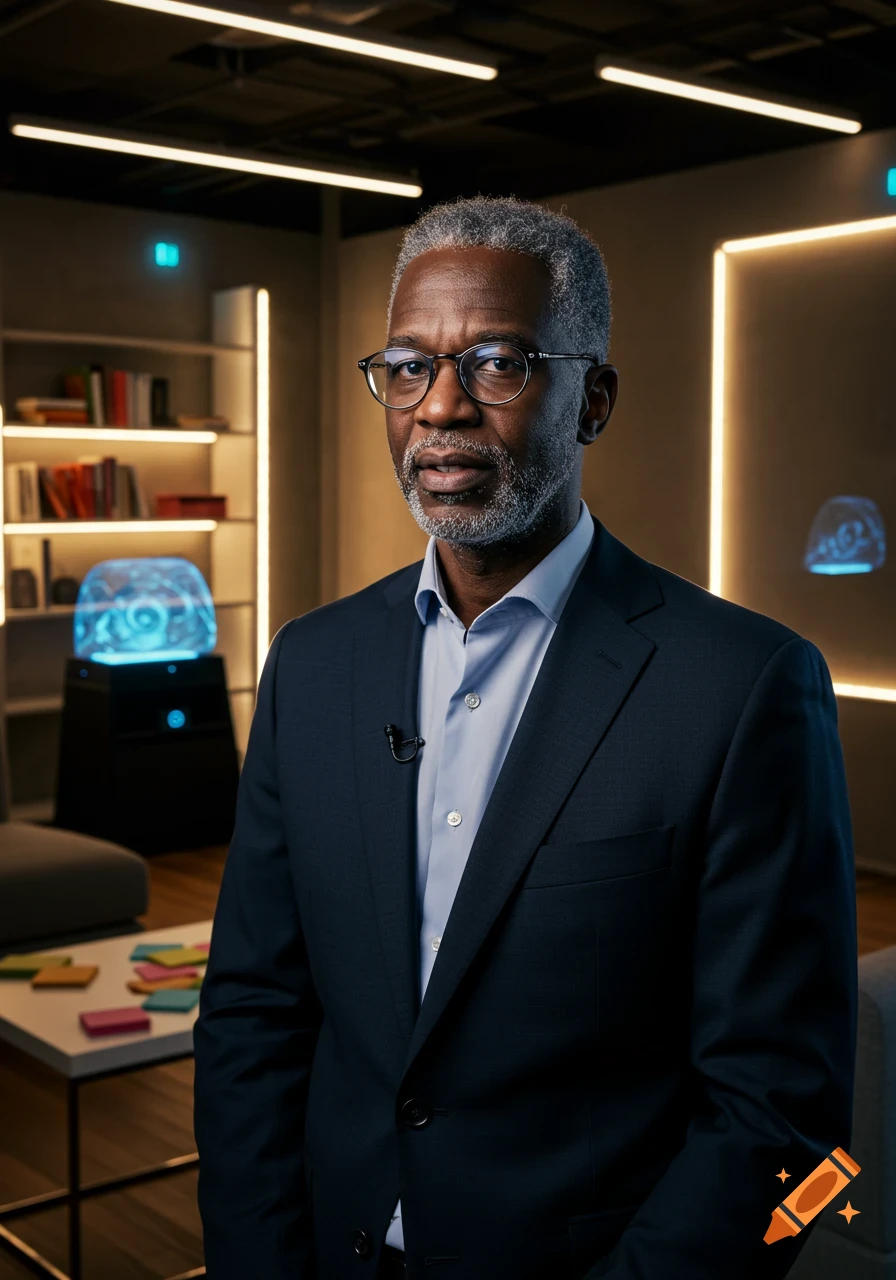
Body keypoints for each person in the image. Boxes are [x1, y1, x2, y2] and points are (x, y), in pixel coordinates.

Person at [193, 195, 857, 1280]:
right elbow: (252, 1018)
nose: (439, 407)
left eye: (496, 362)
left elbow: (784, 1119)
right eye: (407, 367)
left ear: (590, 399)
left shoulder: (742, 687)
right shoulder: (311, 665)